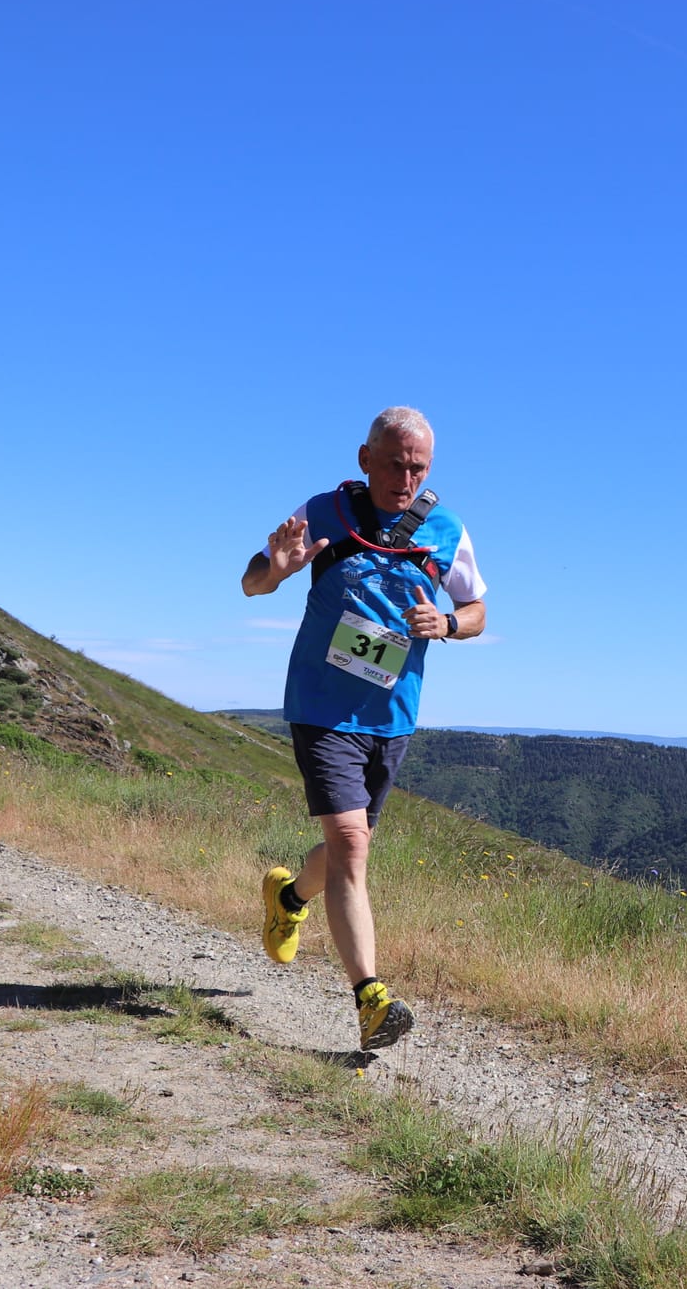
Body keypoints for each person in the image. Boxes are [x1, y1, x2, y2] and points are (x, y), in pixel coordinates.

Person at [241, 406, 486, 1051]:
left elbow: (478, 609)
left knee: (352, 846)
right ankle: (371, 998)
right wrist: (279, 567)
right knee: (350, 843)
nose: (406, 478)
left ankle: (288, 897)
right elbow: (251, 585)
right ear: (364, 459)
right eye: (395, 464)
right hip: (321, 705)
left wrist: (451, 625)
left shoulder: (446, 527)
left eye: (418, 467)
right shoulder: (324, 512)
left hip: (393, 713)